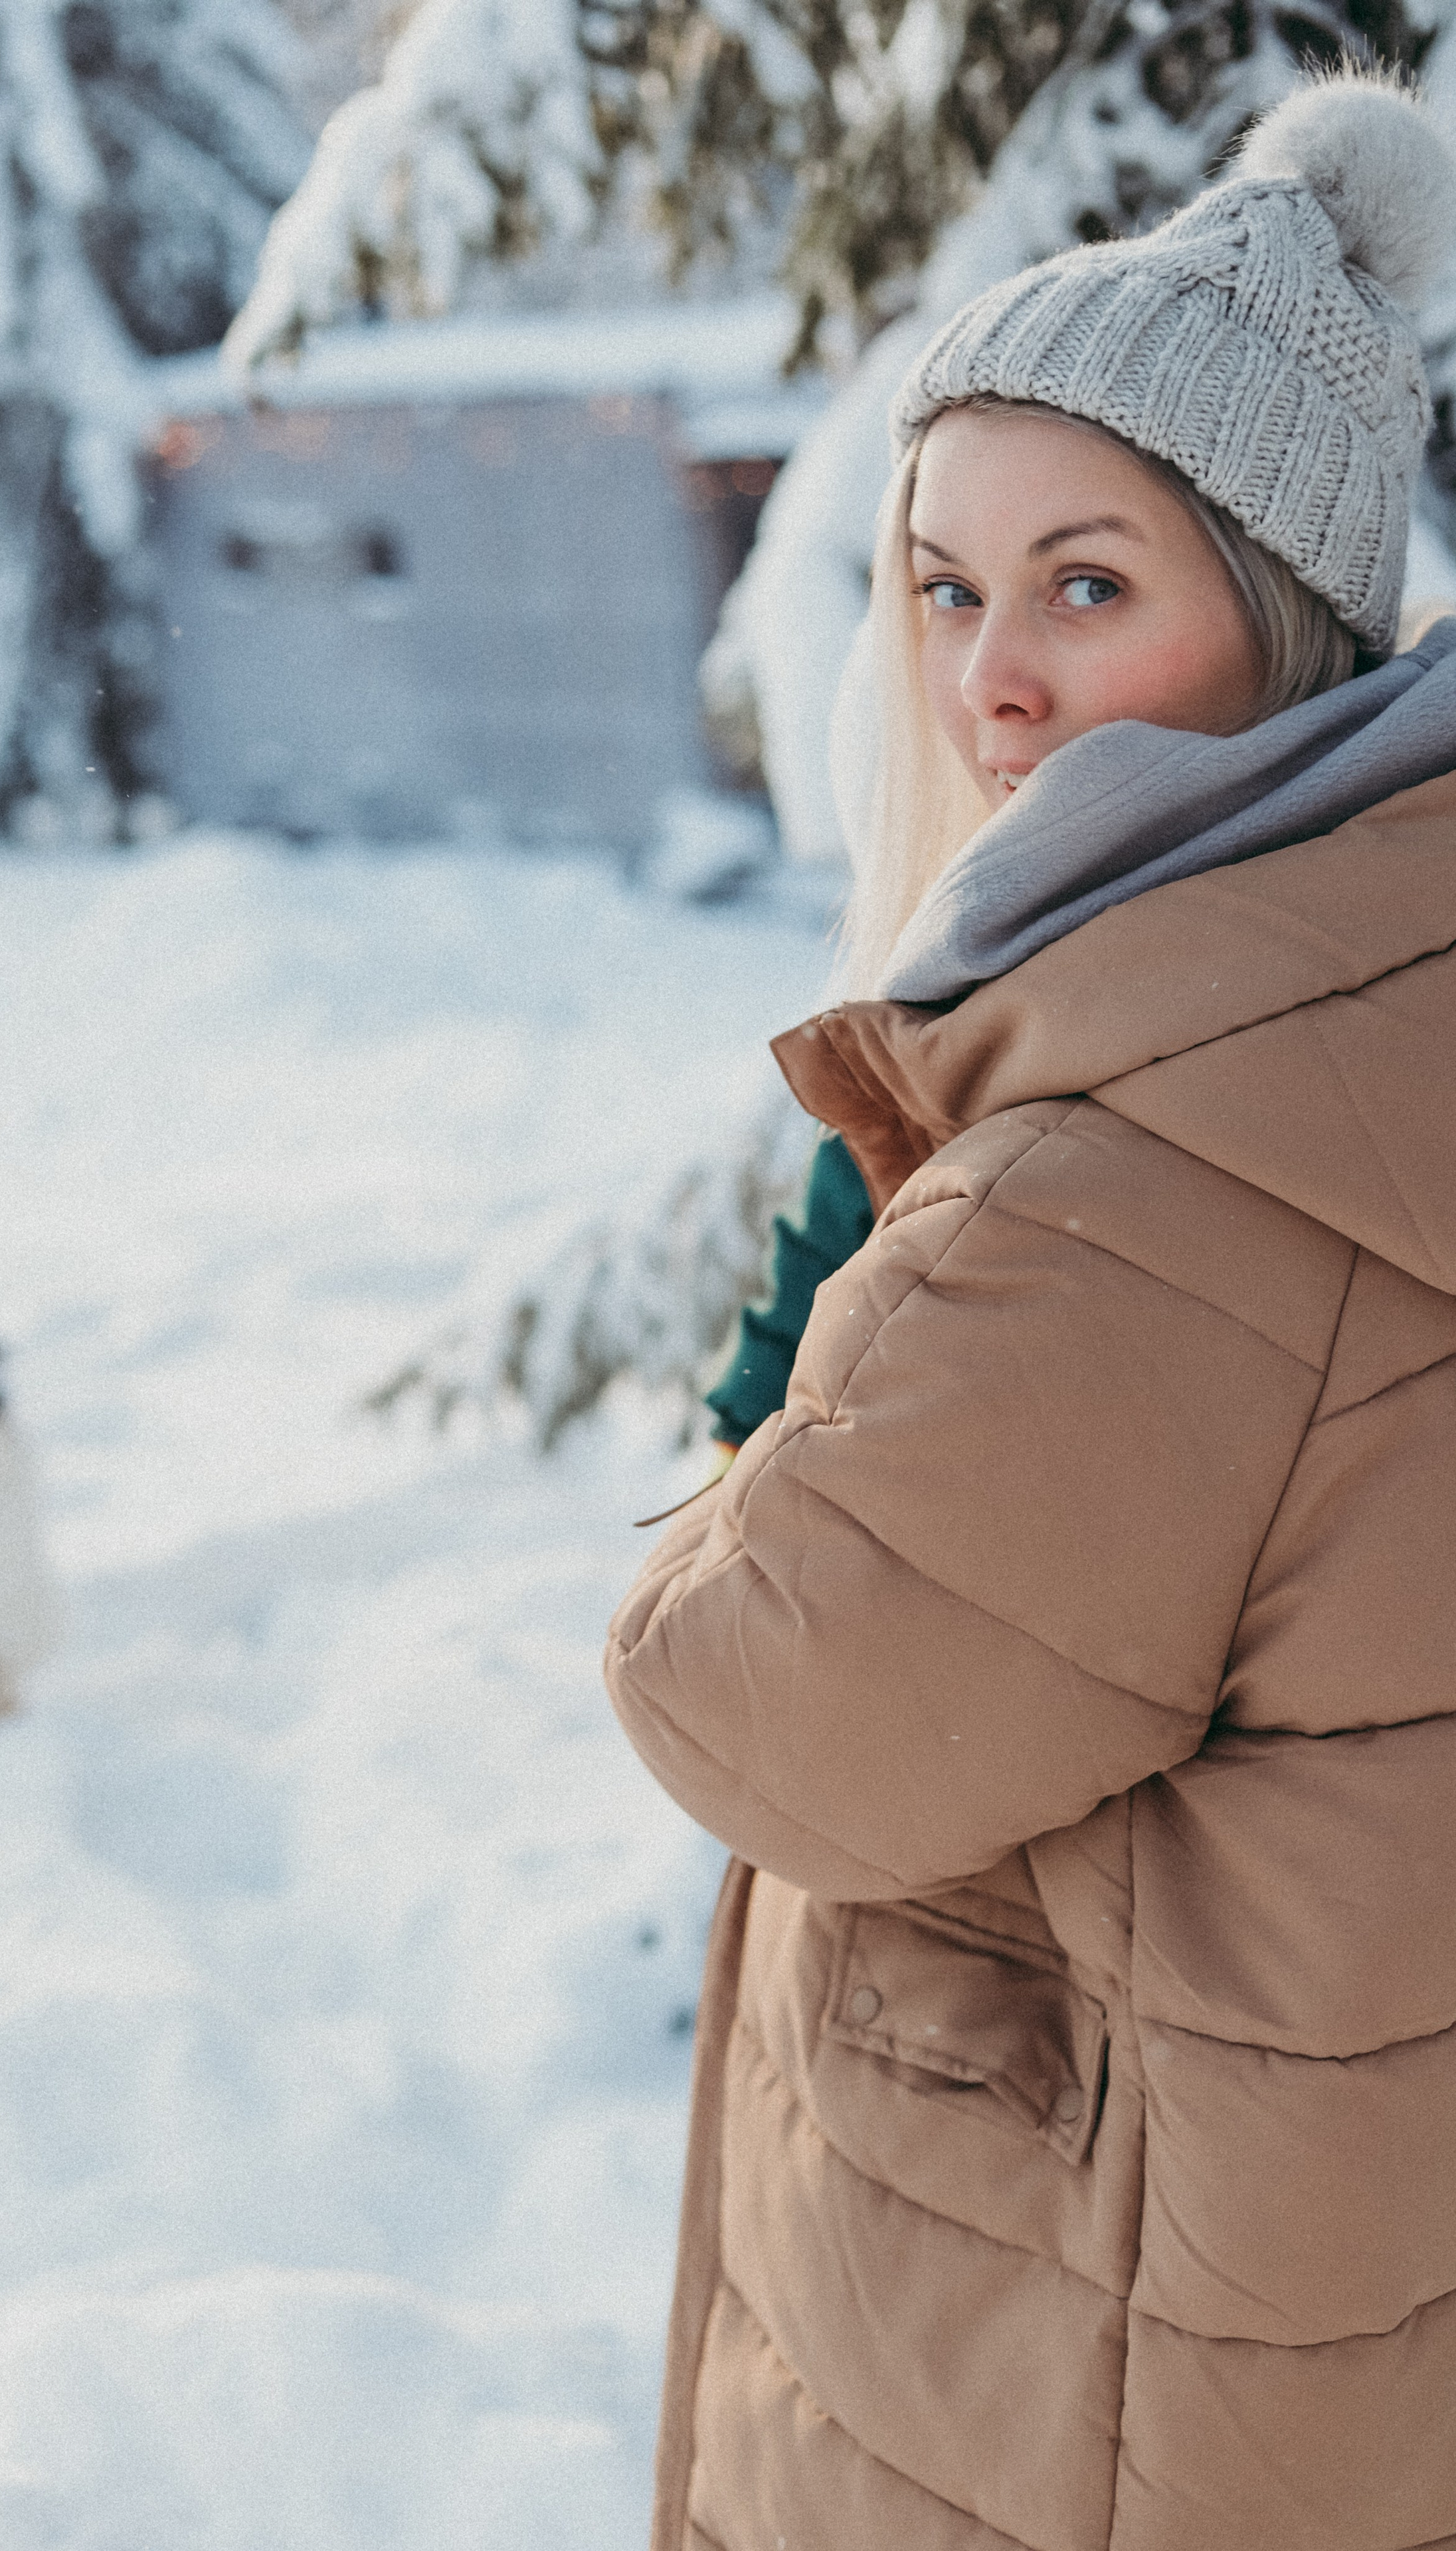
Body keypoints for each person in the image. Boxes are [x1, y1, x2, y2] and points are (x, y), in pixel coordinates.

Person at [605, 69, 1456, 2551]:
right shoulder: (1369, 996)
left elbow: (759, 1701)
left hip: (1067, 2356)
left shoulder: (1133, 1173)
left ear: (1280, 623)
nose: (990, 677)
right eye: (948, 584)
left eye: (1091, 584)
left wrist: (812, 1345)